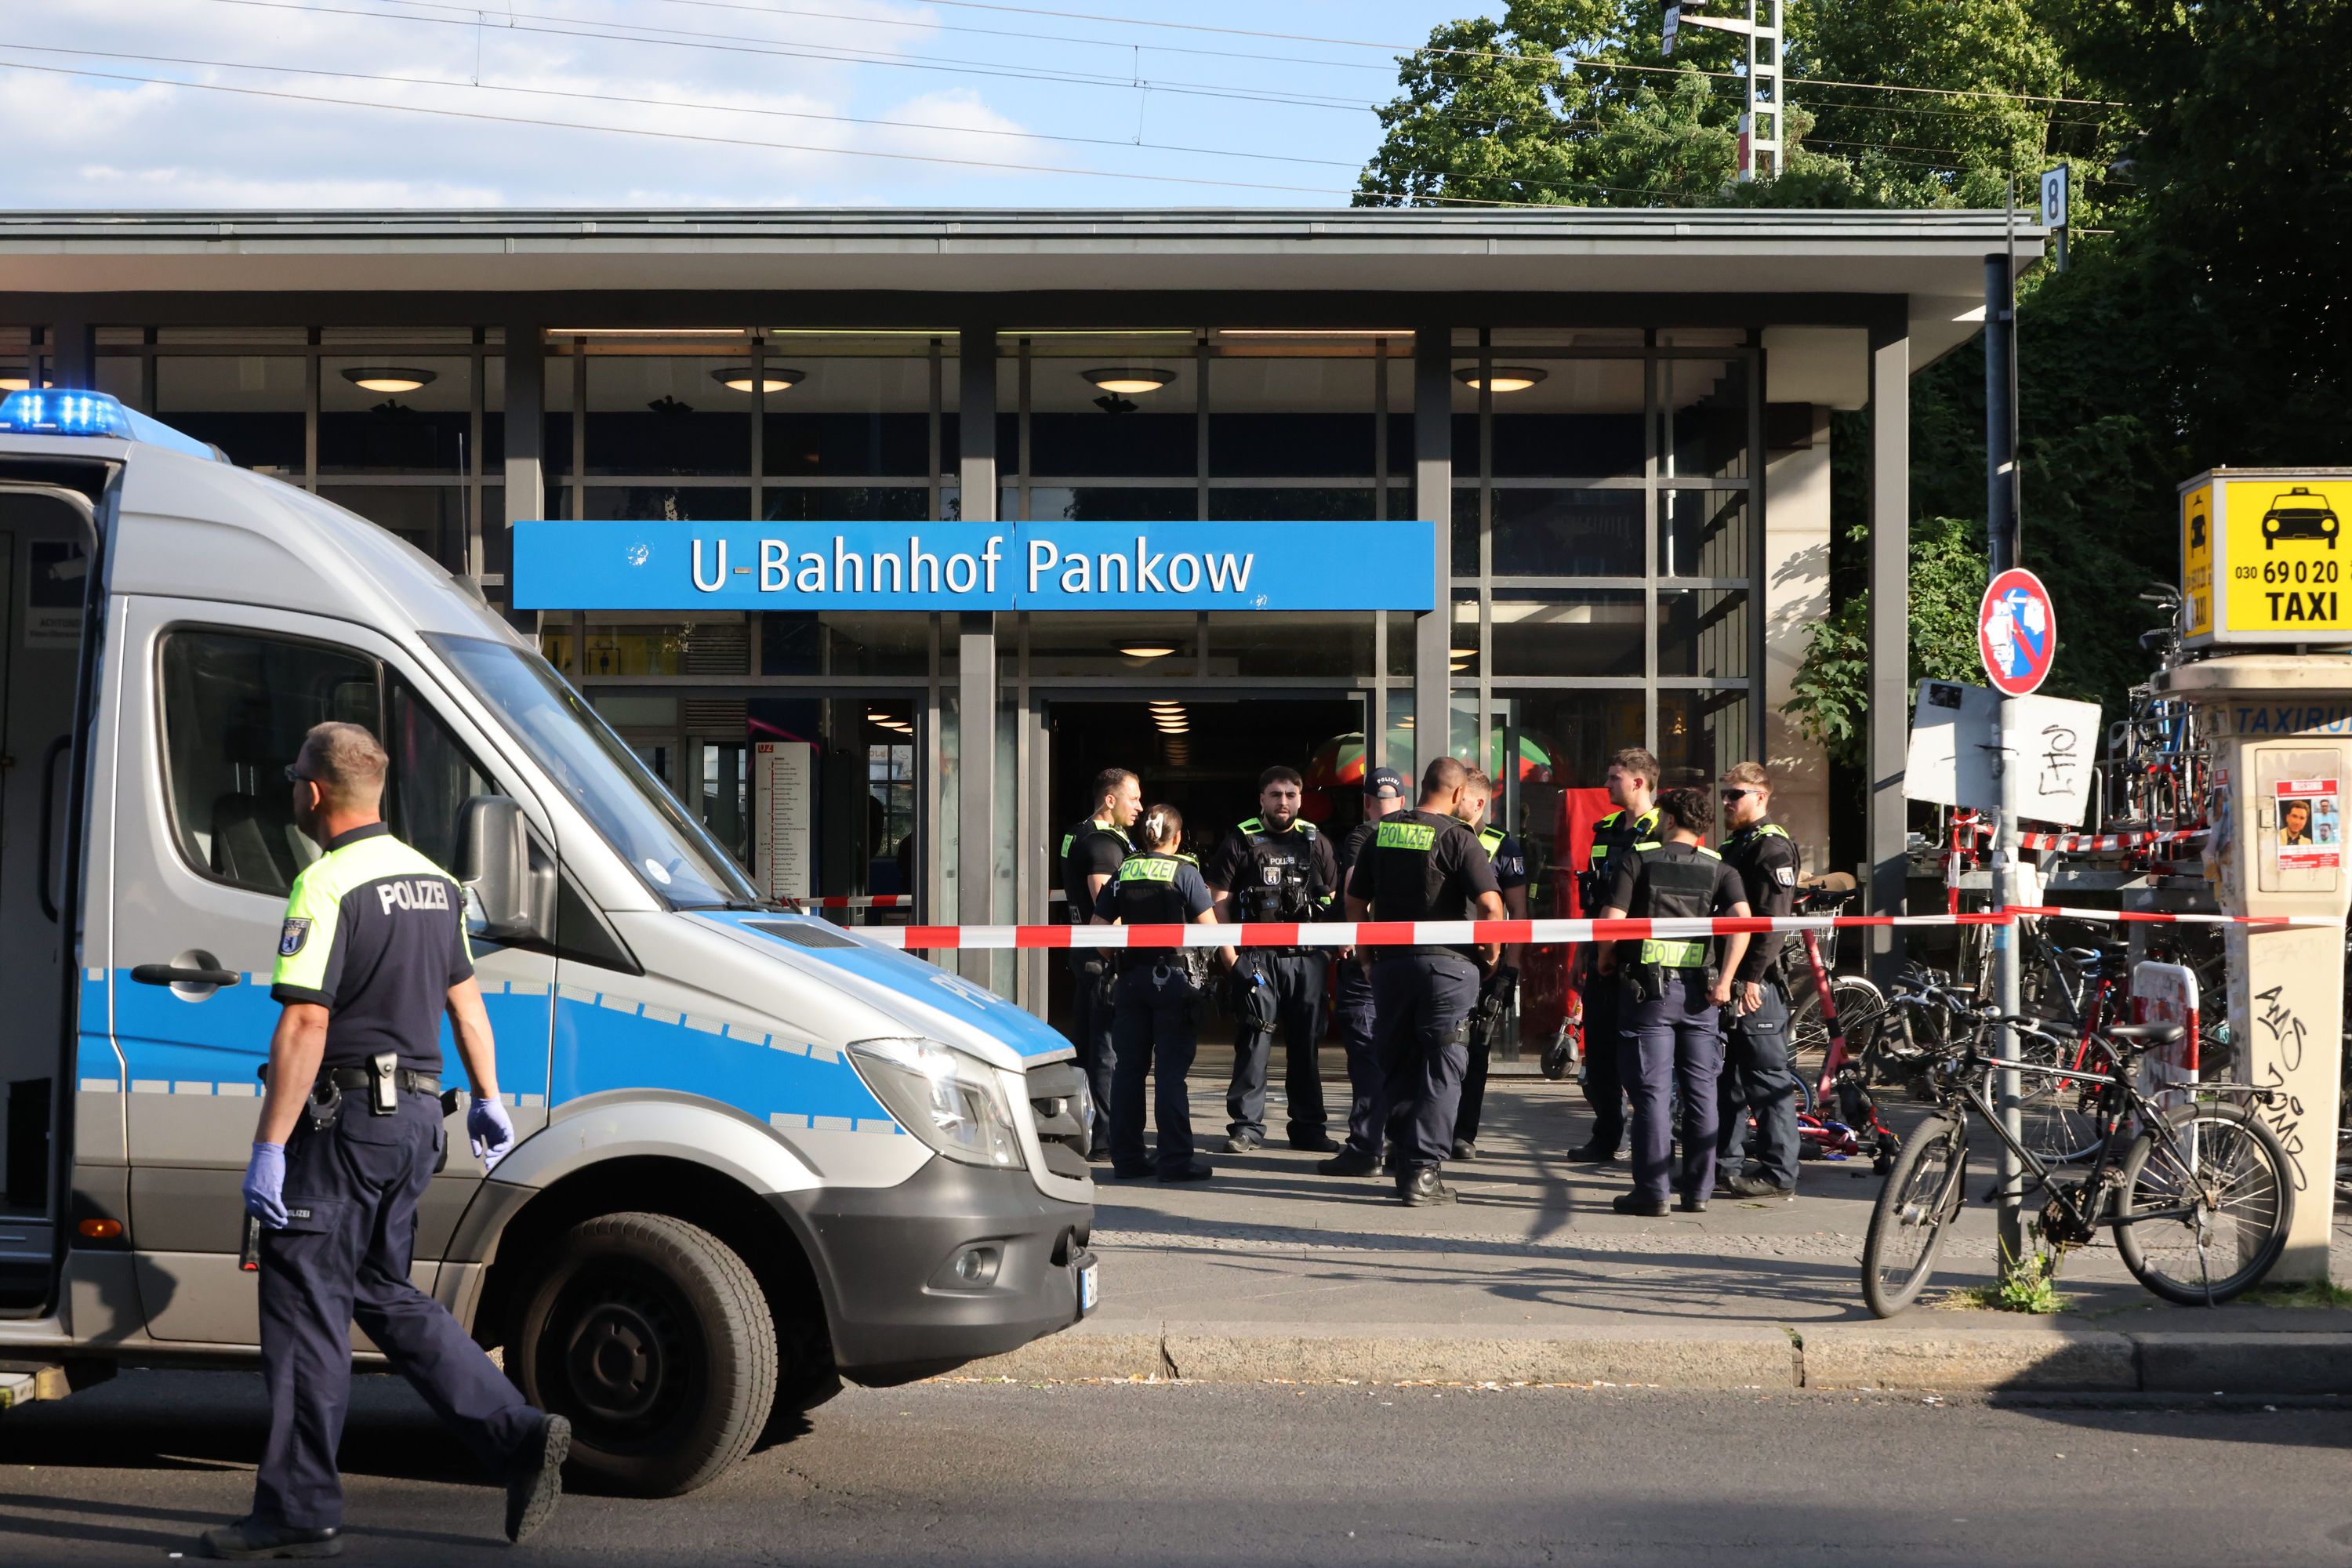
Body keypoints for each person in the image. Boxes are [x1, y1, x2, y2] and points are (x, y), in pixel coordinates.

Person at [209, 721, 566, 1561]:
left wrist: (270, 1144)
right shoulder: (435, 882)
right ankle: (517, 1433)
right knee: (380, 1288)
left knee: (304, 1307)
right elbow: (466, 1004)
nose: (291, 786)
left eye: (295, 774)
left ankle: (300, 1507)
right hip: (413, 1123)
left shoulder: (325, 883)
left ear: (316, 792)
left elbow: (304, 1018)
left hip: (339, 1127)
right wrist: (487, 1097)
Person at [1346, 757, 1506, 1206]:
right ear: (1457, 795)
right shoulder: (1459, 837)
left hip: (1391, 968)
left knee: (1397, 1061)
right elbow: (1492, 908)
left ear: (1421, 788)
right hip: (1448, 970)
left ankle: (1400, 1154)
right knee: (1442, 1067)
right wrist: (1491, 955)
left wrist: (1366, 958)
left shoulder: (1382, 833)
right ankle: (1423, 1174)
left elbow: (1355, 901)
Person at [1596, 786, 1751, 1218]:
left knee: (1651, 1093)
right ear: (1703, 826)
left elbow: (1612, 922)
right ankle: (1699, 1192)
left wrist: (1605, 960)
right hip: (1702, 996)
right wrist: (1727, 979)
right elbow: (1745, 923)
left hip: (1649, 995)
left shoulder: (1639, 860)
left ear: (1667, 820)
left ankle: (1652, 1193)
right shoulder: (1720, 868)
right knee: (1703, 1093)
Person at [1204, 765, 1341, 1153]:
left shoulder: (1316, 841)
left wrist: (1328, 952)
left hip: (1305, 958)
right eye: (1276, 795)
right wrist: (1231, 961)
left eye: (1291, 795)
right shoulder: (1242, 840)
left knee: (1307, 1045)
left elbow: (1333, 899)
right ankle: (1246, 1128)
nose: (1284, 802)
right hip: (1258, 958)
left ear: (1301, 798)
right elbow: (1219, 901)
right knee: (1254, 1040)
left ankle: (1309, 1129)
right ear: (1262, 799)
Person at [1091, 804, 1220, 1182]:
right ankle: (1175, 1161)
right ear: (1177, 838)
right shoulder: (1186, 872)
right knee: (1170, 1074)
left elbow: (1100, 929)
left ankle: (1128, 1159)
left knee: (1128, 1072)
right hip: (1174, 982)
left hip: (1130, 982)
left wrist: (1123, 959)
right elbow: (1211, 932)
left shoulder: (1123, 871)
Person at [1566, 749, 1661, 1164]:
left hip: (1643, 958)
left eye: (1613, 777)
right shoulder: (1604, 828)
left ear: (1638, 782)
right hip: (1600, 952)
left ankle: (1652, 1144)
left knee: (1643, 1058)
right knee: (1600, 1053)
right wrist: (1583, 955)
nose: (1606, 785)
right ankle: (1605, 1137)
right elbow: (1592, 899)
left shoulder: (1663, 828)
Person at [1714, 761, 1804, 1202]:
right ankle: (1724, 1166)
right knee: (1727, 1078)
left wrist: (1750, 978)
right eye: (1725, 793)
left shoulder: (1771, 848)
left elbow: (1773, 923)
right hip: (1734, 980)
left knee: (1768, 1081)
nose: (1727, 802)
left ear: (1762, 797)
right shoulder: (1739, 844)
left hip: (1757, 984)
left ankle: (1778, 1172)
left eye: (1736, 795)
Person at [1317, 767, 1408, 1177]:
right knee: (1403, 1055)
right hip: (1411, 960)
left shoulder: (1363, 835)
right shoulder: (1419, 832)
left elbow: (1355, 885)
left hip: (1367, 960)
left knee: (1367, 1055)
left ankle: (1366, 1147)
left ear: (1367, 803)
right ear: (1402, 802)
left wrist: (1358, 940)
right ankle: (1403, 1145)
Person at [1061, 768, 1142, 1154]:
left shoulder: (1076, 833)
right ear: (1110, 800)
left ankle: (1085, 1131)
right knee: (1107, 1053)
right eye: (1134, 798)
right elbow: (1105, 913)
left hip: (1083, 958)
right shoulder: (1104, 846)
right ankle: (1106, 1137)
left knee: (1088, 1049)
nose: (1140, 807)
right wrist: (1124, 958)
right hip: (1102, 963)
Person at [1451, 769, 1530, 1161]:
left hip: (1487, 966)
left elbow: (1517, 911)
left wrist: (1510, 971)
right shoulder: (1441, 833)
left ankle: (1463, 1133)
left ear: (1477, 802)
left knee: (1476, 1051)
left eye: (1459, 795)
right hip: (1444, 960)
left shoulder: (1503, 847)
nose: (1452, 800)